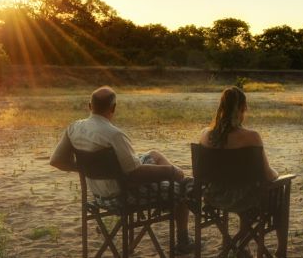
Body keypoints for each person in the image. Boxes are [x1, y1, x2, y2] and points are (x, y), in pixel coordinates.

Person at [49, 86, 195, 254]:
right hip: (122, 197)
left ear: (90, 106)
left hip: (98, 194)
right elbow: (135, 174)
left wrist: (84, 167)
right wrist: (170, 171)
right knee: (180, 190)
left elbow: (56, 160)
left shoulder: (73, 128)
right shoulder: (114, 134)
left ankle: (182, 179)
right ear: (113, 108)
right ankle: (183, 240)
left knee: (153, 155)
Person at [195, 87, 280, 250]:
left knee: (241, 185)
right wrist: (278, 174)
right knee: (281, 193)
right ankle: (280, 250)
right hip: (247, 199)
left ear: (221, 107)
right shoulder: (252, 137)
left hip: (214, 197)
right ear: (242, 108)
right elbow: (268, 175)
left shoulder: (205, 135)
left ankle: (232, 242)